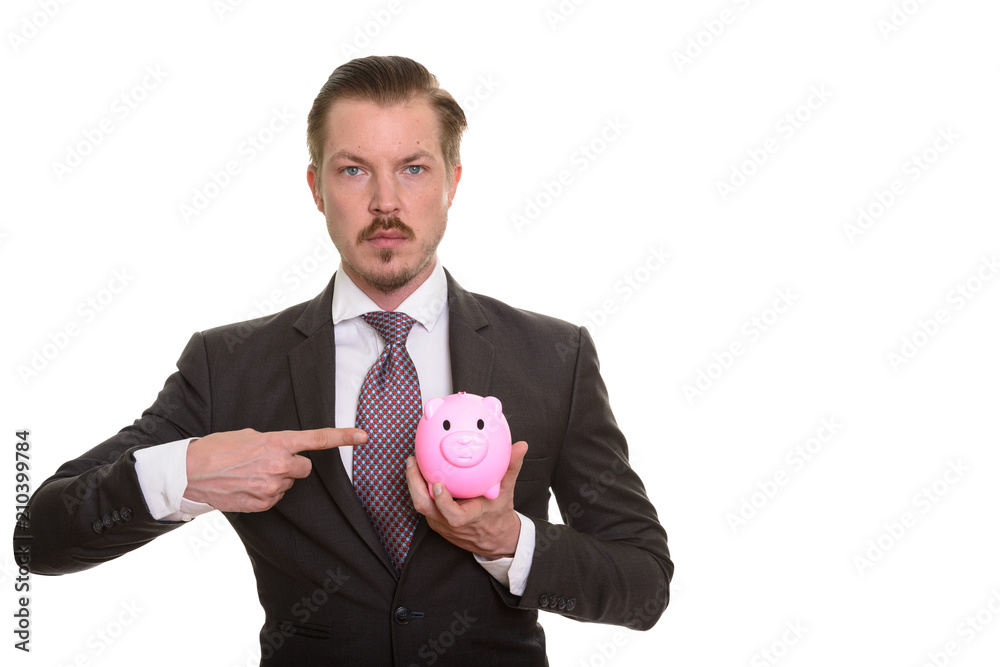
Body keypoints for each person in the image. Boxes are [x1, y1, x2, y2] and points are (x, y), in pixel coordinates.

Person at [15, 55, 672, 665]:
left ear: (453, 181)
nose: (385, 202)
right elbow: (38, 537)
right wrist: (183, 472)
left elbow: (645, 585)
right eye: (354, 169)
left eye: (413, 168)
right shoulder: (230, 365)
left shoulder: (553, 357)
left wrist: (510, 542)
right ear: (316, 187)